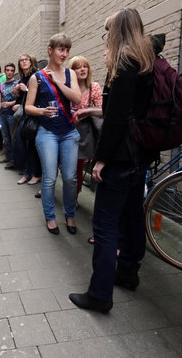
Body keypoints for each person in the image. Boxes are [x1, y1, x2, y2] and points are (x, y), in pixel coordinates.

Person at [69, 8, 157, 313]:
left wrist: (100, 160)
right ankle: (128, 272)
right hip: (141, 153)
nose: (106, 37)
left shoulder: (123, 63)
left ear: (118, 32)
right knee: (132, 216)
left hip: (120, 156)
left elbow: (116, 118)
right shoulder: (148, 60)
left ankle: (100, 295)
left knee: (105, 225)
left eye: (108, 31)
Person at [25, 33, 82, 235]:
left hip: (68, 132)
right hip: (47, 132)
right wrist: (42, 111)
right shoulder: (37, 78)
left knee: (69, 178)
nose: (64, 54)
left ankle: (69, 214)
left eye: (67, 50)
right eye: (60, 49)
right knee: (49, 178)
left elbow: (77, 98)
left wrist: (58, 83)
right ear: (50, 50)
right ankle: (50, 217)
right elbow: (28, 107)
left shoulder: (70, 74)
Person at [68, 55, 103, 244]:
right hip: (68, 130)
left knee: (78, 167)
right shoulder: (69, 87)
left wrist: (85, 111)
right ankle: (71, 194)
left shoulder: (94, 87)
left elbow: (101, 109)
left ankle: (74, 196)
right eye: (78, 67)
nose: (83, 70)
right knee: (68, 167)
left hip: (86, 132)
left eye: (85, 67)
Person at [13, 54, 41, 185]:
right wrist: (17, 94)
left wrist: (27, 89)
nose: (23, 62)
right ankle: (27, 172)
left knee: (32, 146)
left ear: (31, 61)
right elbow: (21, 100)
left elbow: (40, 93)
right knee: (22, 145)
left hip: (34, 115)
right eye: (21, 60)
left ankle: (35, 174)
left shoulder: (36, 75)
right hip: (24, 115)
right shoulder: (22, 77)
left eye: (26, 60)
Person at [0, 63, 18, 167]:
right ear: (5, 71)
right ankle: (8, 157)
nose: (9, 72)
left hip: (12, 114)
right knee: (6, 137)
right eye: (7, 70)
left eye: (12, 70)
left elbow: (20, 100)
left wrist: (9, 103)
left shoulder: (17, 83)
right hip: (3, 115)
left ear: (14, 72)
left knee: (13, 137)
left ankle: (14, 160)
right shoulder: (1, 85)